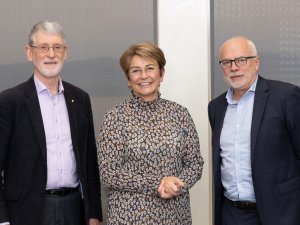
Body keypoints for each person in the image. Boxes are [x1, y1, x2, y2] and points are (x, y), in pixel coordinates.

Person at [0, 20, 102, 225]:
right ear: (29, 53)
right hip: (26, 212)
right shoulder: (10, 101)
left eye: (57, 47)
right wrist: (2, 219)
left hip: (74, 209)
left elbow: (90, 161)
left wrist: (94, 214)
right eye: (43, 47)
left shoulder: (80, 99)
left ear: (65, 52)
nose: (51, 54)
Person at [97, 42, 204, 224]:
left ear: (161, 74)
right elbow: (108, 173)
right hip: (129, 217)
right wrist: (158, 184)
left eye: (150, 68)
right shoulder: (115, 117)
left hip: (174, 216)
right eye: (136, 70)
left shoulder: (180, 114)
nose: (144, 76)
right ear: (128, 79)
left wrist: (177, 185)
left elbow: (195, 163)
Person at [208, 36, 300, 225]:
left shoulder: (286, 96)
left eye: (241, 60)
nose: (234, 67)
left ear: (256, 62)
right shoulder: (216, 107)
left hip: (281, 212)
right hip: (232, 214)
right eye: (227, 62)